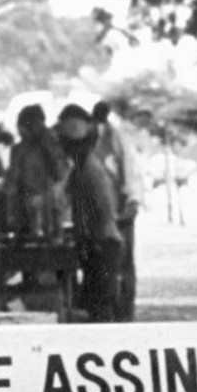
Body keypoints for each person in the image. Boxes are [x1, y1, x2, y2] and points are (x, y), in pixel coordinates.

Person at [59, 102, 126, 322]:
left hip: (102, 243)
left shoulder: (89, 169)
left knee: (100, 305)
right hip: (99, 242)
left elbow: (102, 210)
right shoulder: (81, 168)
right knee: (95, 302)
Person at [91, 99, 141, 319]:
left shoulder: (117, 138)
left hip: (120, 210)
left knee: (123, 264)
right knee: (105, 264)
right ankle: (106, 308)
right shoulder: (90, 138)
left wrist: (132, 200)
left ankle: (124, 312)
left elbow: (130, 169)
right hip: (100, 212)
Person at [4, 102, 68, 241]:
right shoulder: (19, 150)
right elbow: (12, 183)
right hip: (27, 211)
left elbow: (60, 174)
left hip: (47, 209)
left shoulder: (52, 146)